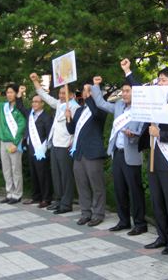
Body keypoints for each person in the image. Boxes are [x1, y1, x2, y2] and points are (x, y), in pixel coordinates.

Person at [122, 59, 168, 253]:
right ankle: (162, 236)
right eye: (159, 80)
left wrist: (161, 134)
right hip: (153, 154)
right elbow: (139, 90)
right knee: (156, 199)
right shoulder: (154, 100)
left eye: (163, 80)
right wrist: (128, 71)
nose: (159, 83)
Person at [91, 74, 148, 236]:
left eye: (128, 91)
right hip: (117, 153)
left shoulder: (141, 110)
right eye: (123, 91)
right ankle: (123, 221)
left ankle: (140, 223)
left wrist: (134, 135)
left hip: (132, 153)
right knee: (119, 189)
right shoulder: (118, 106)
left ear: (134, 93)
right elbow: (101, 103)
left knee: (135, 190)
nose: (124, 94)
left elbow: (143, 132)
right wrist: (96, 86)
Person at [30, 72, 79, 214]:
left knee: (66, 176)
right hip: (55, 144)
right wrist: (35, 81)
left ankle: (66, 203)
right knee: (56, 175)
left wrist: (73, 143)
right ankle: (58, 200)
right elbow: (45, 96)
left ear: (71, 95)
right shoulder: (59, 105)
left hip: (65, 145)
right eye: (60, 93)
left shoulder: (74, 107)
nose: (61, 96)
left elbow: (77, 128)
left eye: (64, 93)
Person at [66, 78, 108, 227]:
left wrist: (91, 96)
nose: (86, 93)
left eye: (89, 90)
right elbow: (72, 130)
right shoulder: (79, 111)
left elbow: (96, 114)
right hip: (79, 153)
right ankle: (85, 212)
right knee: (82, 184)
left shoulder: (101, 109)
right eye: (85, 91)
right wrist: (68, 119)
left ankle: (98, 213)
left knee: (97, 185)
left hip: (93, 153)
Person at [16, 86, 53, 208]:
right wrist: (20, 93)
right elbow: (20, 106)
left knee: (43, 175)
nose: (34, 103)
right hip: (30, 149)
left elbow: (49, 136)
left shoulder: (47, 117)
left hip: (41, 150)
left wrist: (45, 149)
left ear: (42, 104)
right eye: (33, 101)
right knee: (34, 174)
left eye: (37, 101)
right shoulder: (30, 114)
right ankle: (36, 196)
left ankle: (46, 198)